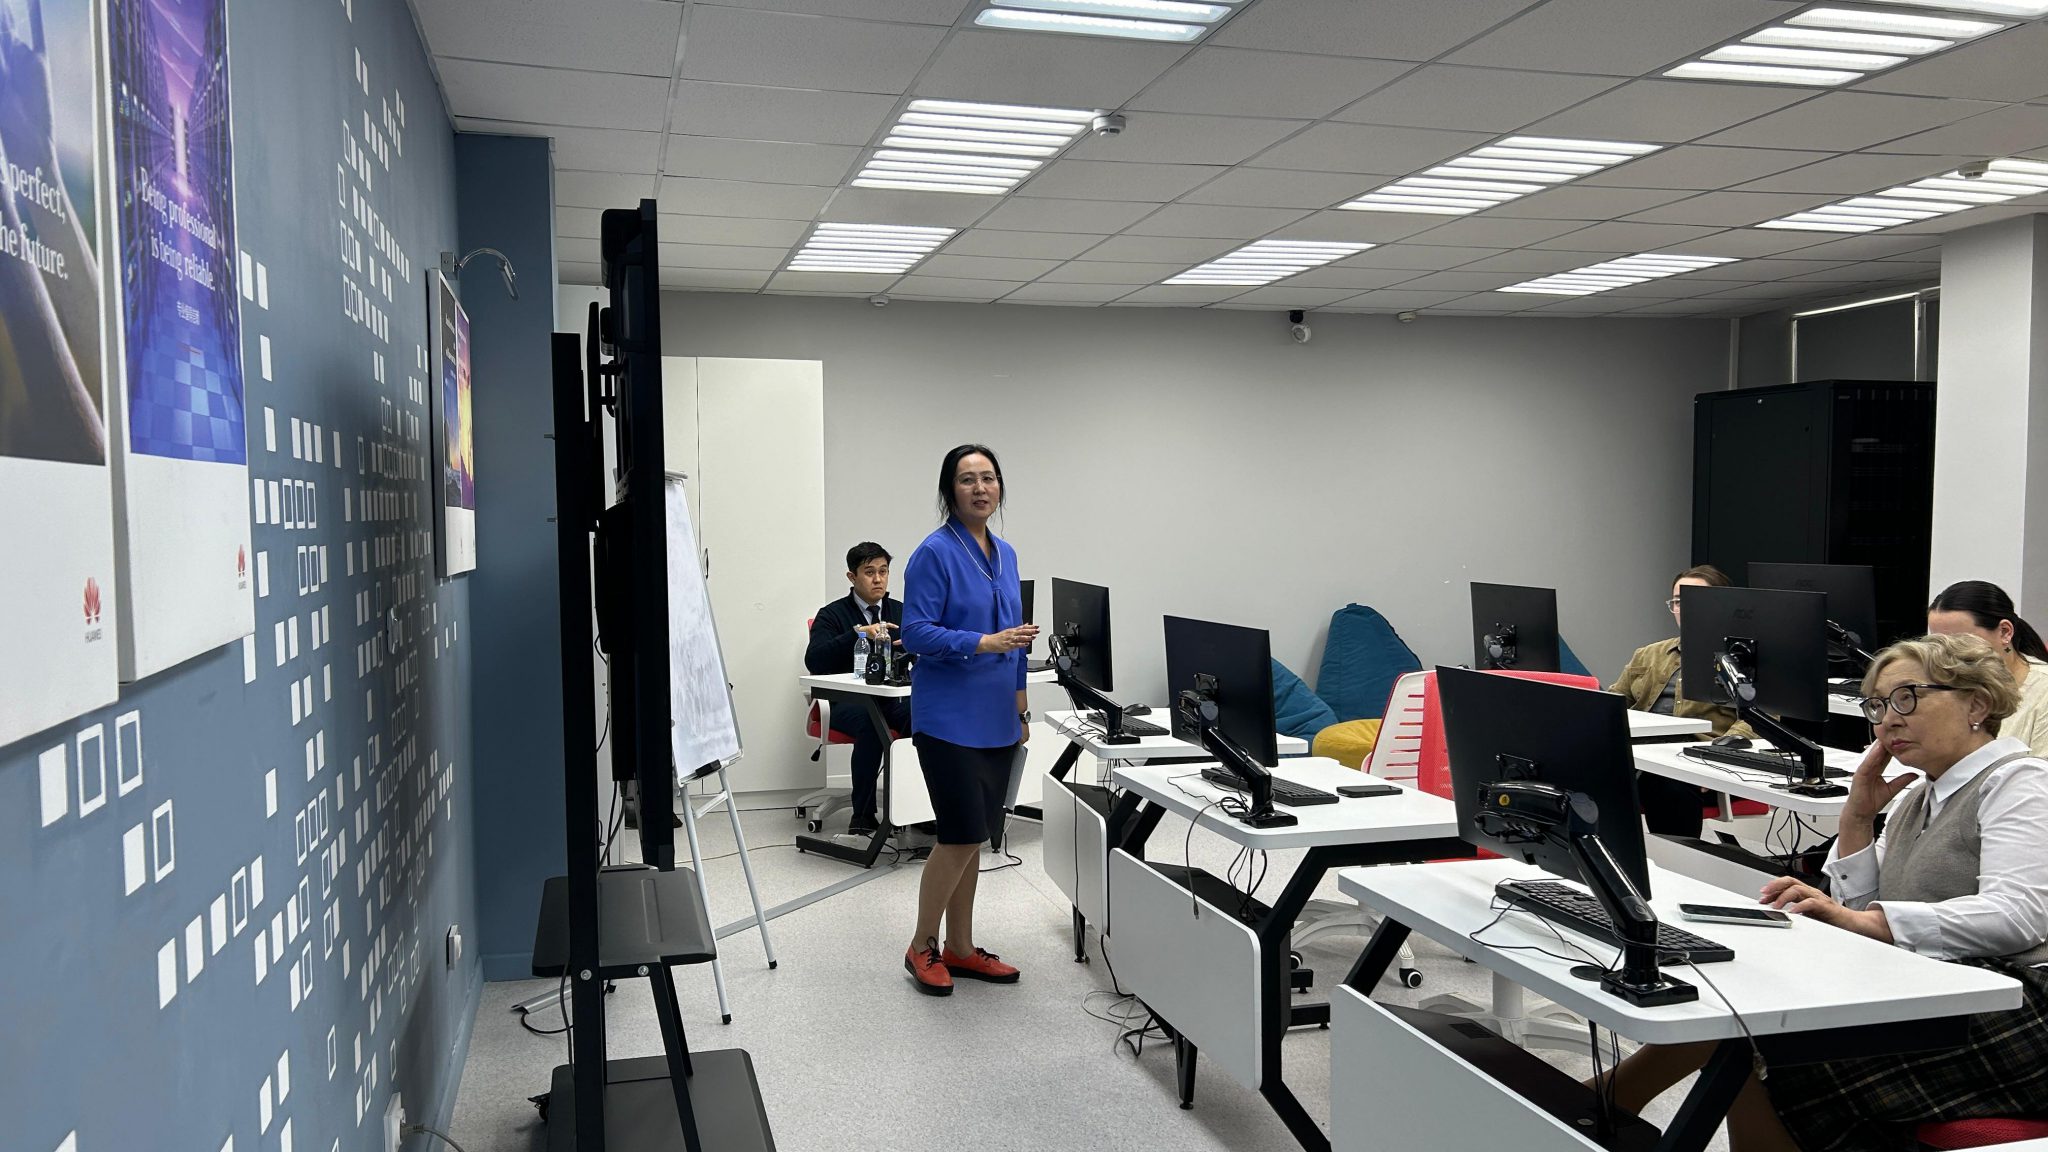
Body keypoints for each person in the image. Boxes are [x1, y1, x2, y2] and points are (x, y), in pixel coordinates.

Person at [1591, 632, 2048, 1152]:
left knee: (1762, 1038)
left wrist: (1869, 922)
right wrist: (1857, 817)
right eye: (1877, 706)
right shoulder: (1919, 794)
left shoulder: (2020, 782)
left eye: (1906, 699)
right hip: (1938, 983)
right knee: (1747, 1012)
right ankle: (1610, 1100)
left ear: (1977, 705)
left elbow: (2018, 916)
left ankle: (1605, 1101)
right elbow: (1858, 909)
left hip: (2020, 1005)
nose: (1887, 721)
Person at [898, 444, 1036, 997]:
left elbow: (1017, 637)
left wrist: (1021, 707)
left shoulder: (1007, 554)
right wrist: (982, 642)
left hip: (997, 718)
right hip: (948, 719)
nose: (980, 488)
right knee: (957, 835)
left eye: (989, 478)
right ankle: (921, 945)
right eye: (967, 479)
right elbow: (915, 632)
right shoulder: (933, 553)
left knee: (974, 839)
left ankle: (960, 946)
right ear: (949, 491)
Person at [1609, 564, 1754, 837]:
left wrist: (1718, 758)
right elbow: (1613, 704)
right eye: (1678, 601)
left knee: (1665, 782)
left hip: (1699, 762)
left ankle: (1677, 857)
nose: (1684, 608)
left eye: (1695, 600)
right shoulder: (1648, 653)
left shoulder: (1743, 659)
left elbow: (1758, 720)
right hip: (1640, 755)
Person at [804, 542, 910, 837]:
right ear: (852, 577)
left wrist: (916, 646)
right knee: (871, 723)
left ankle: (914, 808)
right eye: (869, 572)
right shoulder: (832, 614)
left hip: (891, 697)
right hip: (845, 701)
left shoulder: (901, 611)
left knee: (922, 718)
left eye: (883, 572)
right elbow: (815, 659)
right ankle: (863, 815)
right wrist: (859, 634)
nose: (878, 579)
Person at [1929, 580, 2048, 758]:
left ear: (2005, 632)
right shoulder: (1938, 687)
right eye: (1938, 643)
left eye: (1961, 641)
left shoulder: (2042, 692)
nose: (1947, 655)